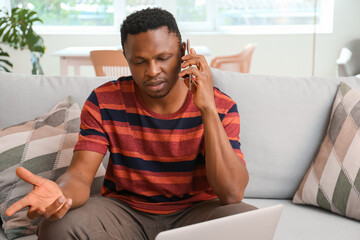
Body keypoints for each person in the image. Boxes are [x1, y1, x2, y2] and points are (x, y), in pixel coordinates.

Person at [5, 7, 256, 240]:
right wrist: (62, 194)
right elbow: (80, 176)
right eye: (140, 61)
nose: (153, 71)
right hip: (126, 212)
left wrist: (207, 109)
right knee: (57, 227)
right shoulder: (104, 100)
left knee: (248, 220)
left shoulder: (221, 106)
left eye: (163, 57)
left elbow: (232, 194)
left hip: (198, 214)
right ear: (126, 57)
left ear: (184, 53)